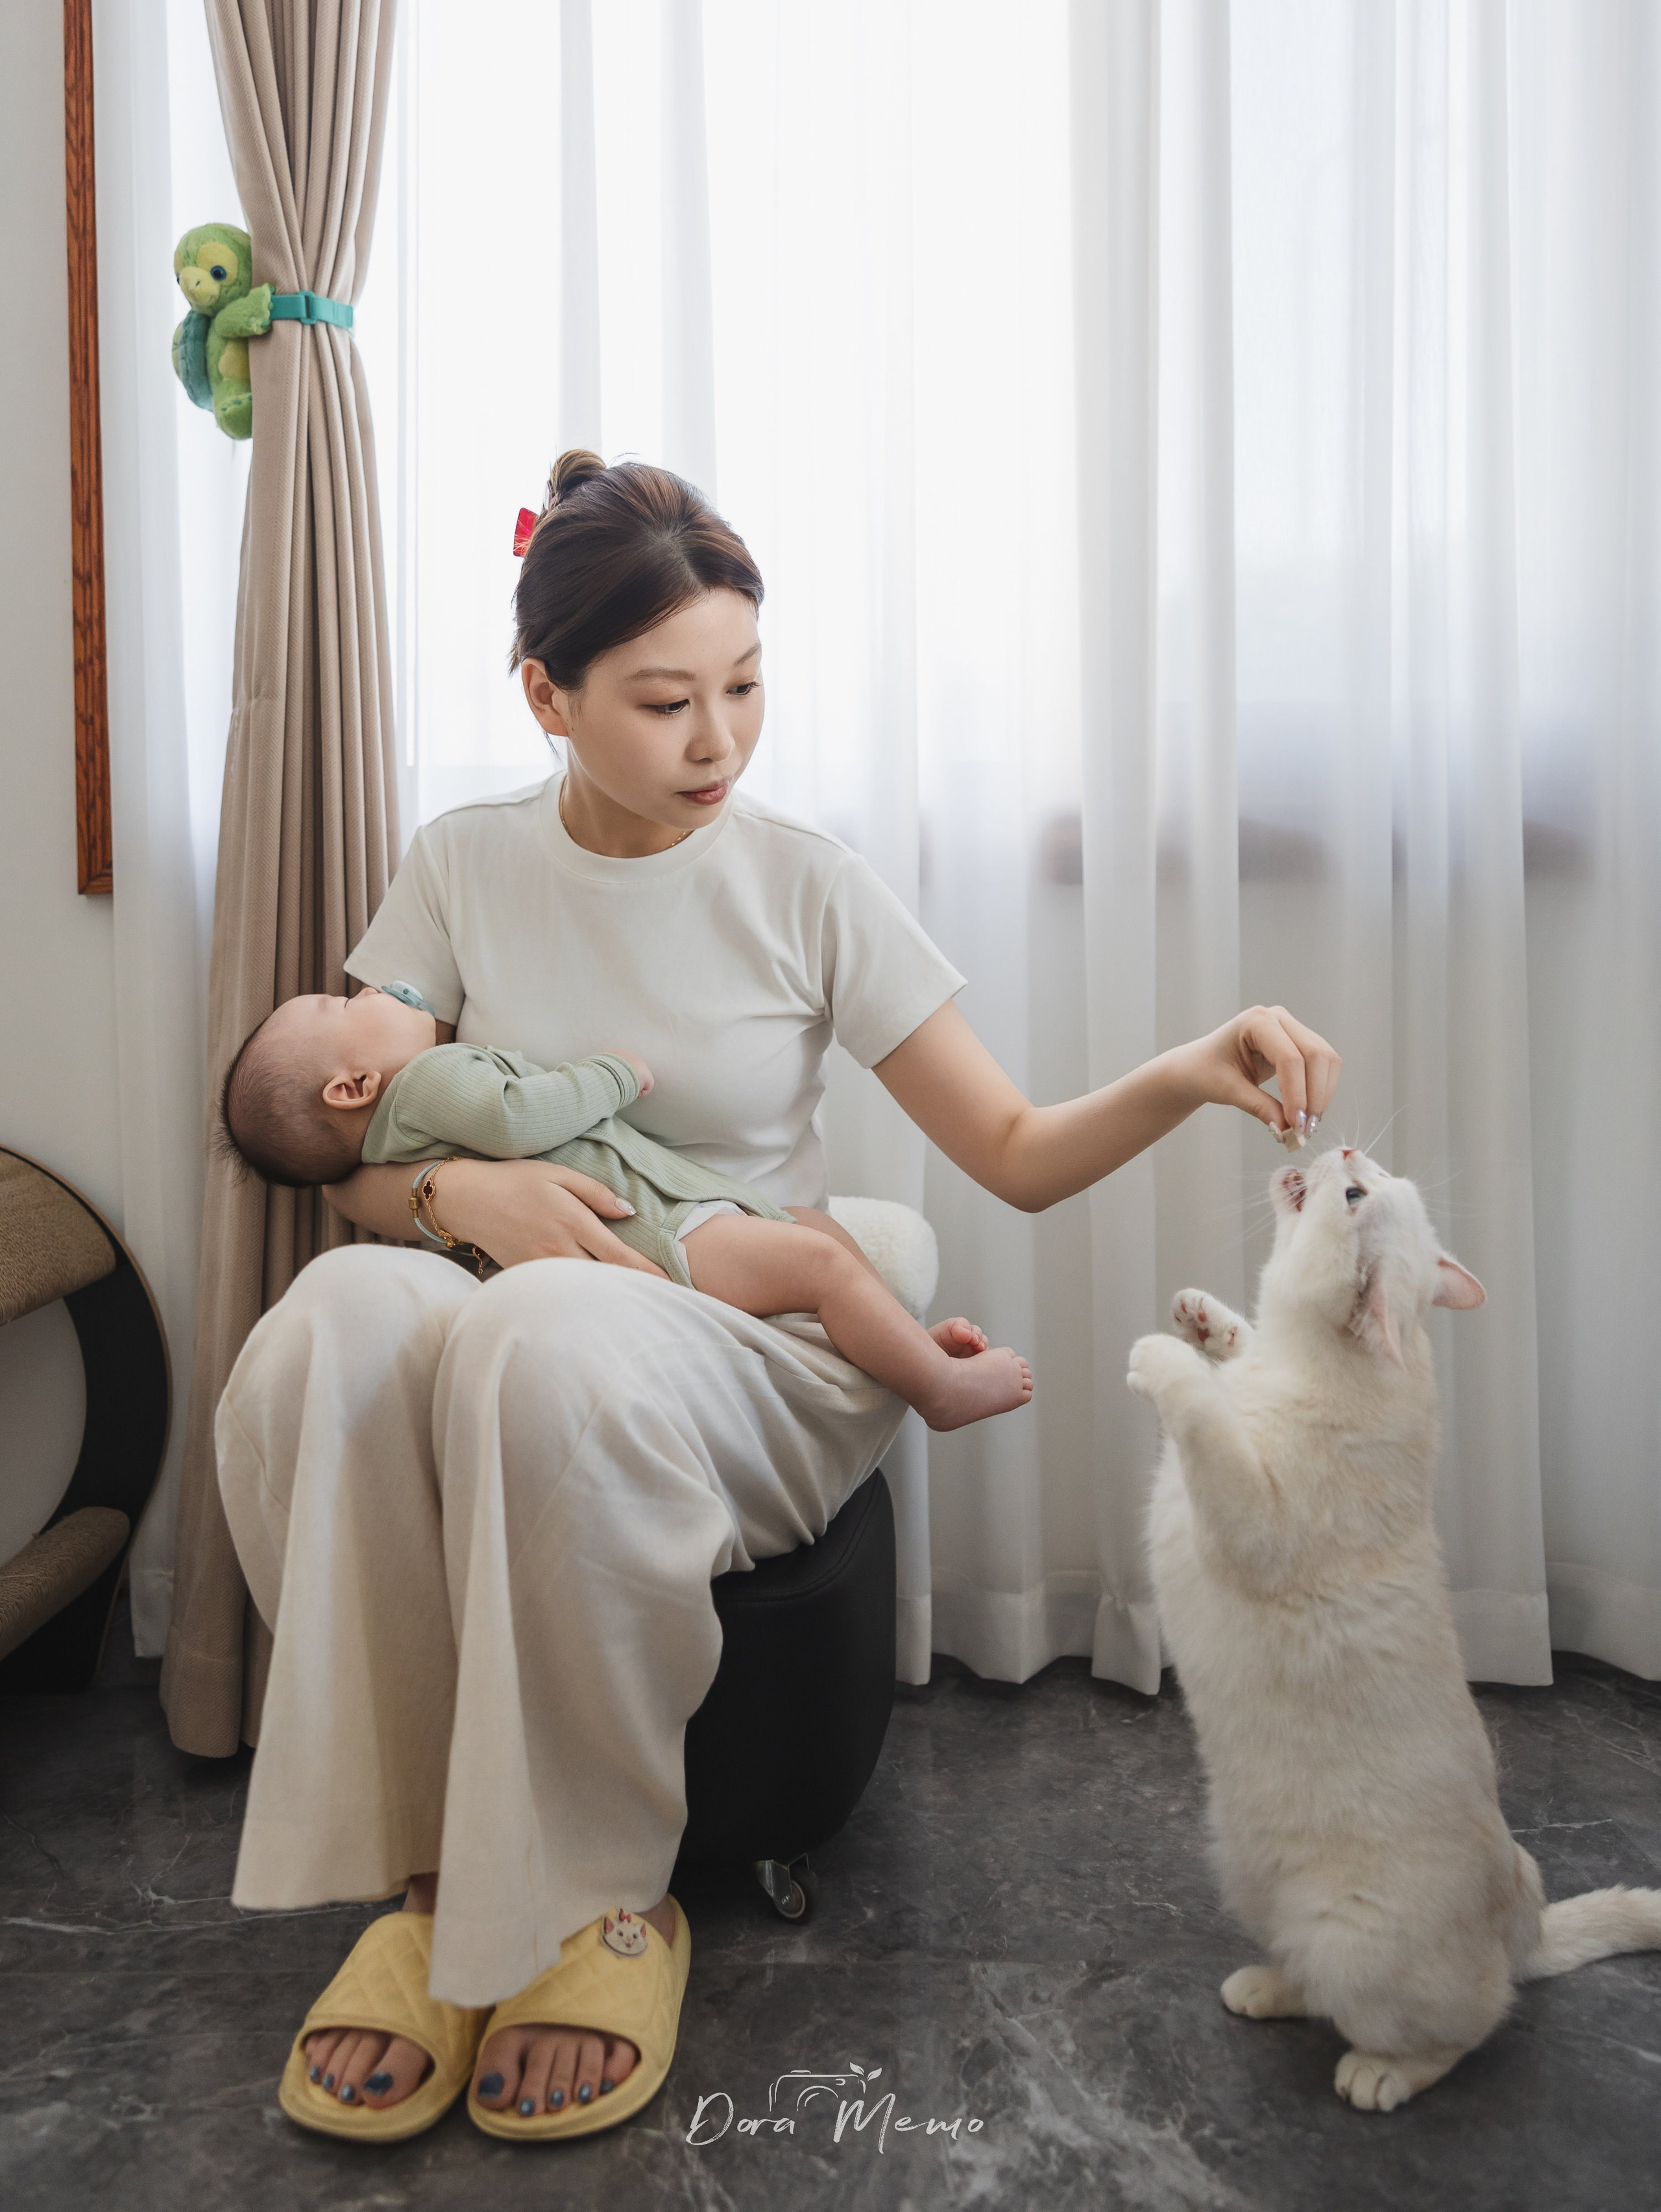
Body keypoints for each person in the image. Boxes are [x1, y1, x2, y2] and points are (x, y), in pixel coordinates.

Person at [219, 451, 1341, 2146]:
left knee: (539, 1334)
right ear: (547, 694)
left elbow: (1018, 1152)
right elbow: (350, 1131)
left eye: (744, 686)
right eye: (665, 700)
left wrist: (1190, 1067)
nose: (718, 741)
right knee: (327, 1328)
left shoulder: (804, 880)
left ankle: (603, 1893)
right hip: (520, 1299)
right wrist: (469, 1189)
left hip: (748, 1339)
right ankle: (438, 1886)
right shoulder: (460, 866)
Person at [220, 992, 1033, 1429]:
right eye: (338, 1003)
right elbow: (517, 1115)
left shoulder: (404, 1129)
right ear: (352, 1086)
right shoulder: (429, 1082)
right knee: (818, 1260)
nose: (364, 990)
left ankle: (896, 1350)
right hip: (658, 1237)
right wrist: (613, 1073)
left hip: (674, 1214)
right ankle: (938, 1391)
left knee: (815, 1233)